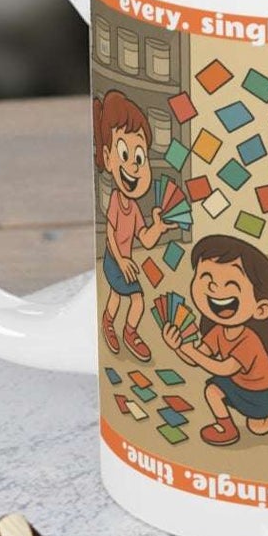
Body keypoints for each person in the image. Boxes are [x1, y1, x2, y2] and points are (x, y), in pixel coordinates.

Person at [162, 235, 268, 447]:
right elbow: (198, 358)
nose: (215, 288)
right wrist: (179, 347)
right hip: (239, 385)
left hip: (264, 393)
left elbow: (224, 368)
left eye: (230, 283)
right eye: (206, 277)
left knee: (260, 427)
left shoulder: (249, 340)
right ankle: (227, 428)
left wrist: (190, 350)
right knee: (212, 390)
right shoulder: (218, 331)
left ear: (261, 308)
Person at [93, 90, 168, 362]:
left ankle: (110, 323)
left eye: (139, 158)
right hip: (114, 261)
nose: (133, 167)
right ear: (108, 157)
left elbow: (145, 239)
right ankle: (129, 332)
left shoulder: (134, 208)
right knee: (136, 298)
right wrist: (122, 260)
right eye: (125, 154)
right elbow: (111, 233)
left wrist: (158, 226)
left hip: (124, 261)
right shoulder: (115, 198)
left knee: (116, 295)